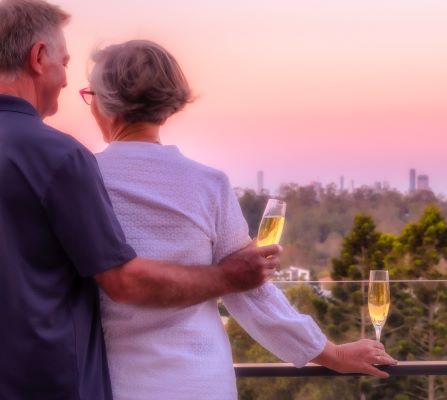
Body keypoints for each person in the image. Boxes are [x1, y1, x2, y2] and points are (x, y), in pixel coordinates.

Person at [0, 1, 283, 399]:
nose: (65, 80)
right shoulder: (58, 157)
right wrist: (229, 276)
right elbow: (123, 280)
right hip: (49, 380)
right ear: (39, 57)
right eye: (64, 63)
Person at [85, 39, 396, 400]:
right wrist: (332, 353)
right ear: (167, 105)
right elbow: (251, 290)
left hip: (114, 383)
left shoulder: (82, 179)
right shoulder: (206, 184)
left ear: (103, 101)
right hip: (201, 383)